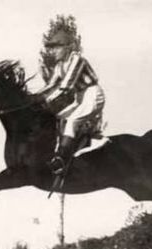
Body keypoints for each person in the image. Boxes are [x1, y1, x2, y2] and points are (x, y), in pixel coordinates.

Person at [35, 15, 105, 175]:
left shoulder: (77, 60)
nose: (52, 51)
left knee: (72, 120)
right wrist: (33, 99)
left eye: (56, 47)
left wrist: (46, 101)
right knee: (59, 117)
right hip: (80, 97)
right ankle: (75, 146)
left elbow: (66, 85)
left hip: (93, 94)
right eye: (51, 48)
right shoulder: (60, 66)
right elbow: (51, 86)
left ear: (68, 47)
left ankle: (61, 159)